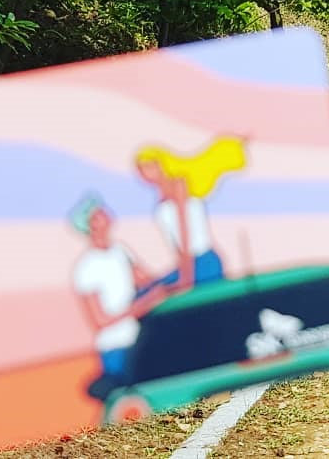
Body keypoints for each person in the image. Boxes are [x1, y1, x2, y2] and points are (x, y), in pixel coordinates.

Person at [69, 194, 161, 381]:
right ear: (90, 225)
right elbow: (100, 320)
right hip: (116, 347)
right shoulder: (86, 268)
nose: (105, 214)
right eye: (98, 214)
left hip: (138, 339)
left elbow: (146, 280)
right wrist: (140, 307)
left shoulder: (120, 250)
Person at [135, 138, 245, 291]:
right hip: (188, 263)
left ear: (161, 165)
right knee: (148, 291)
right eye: (141, 170)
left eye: (148, 167)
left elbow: (184, 228)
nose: (144, 174)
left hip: (203, 261)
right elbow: (175, 241)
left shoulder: (179, 184)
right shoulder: (160, 197)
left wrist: (187, 274)